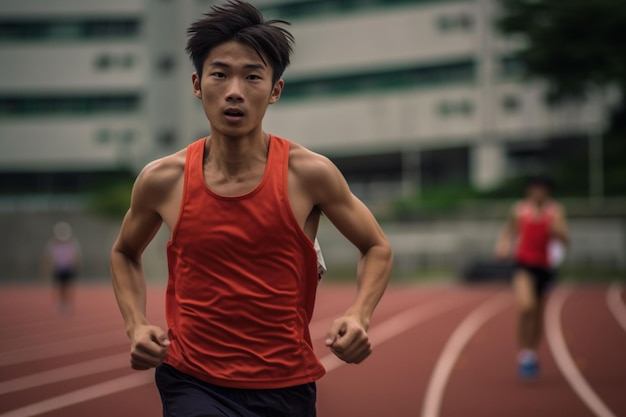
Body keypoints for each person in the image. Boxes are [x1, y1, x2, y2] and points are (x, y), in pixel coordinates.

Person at [110, 1, 393, 416]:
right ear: (196, 83)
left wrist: (359, 314)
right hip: (192, 380)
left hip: (285, 386)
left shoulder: (309, 175)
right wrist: (136, 324)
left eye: (252, 76)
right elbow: (123, 252)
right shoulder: (163, 179)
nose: (234, 91)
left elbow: (376, 246)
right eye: (220, 74)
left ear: (275, 90)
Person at [494, 176, 569, 380]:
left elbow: (565, 239)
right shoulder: (519, 210)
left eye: (542, 189)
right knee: (526, 307)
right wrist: (502, 245)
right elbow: (509, 232)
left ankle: (532, 352)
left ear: (548, 191)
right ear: (529, 191)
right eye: (535, 189)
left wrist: (558, 231)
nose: (538, 193)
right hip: (523, 265)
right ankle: (524, 353)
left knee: (538, 313)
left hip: (545, 267)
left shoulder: (556, 211)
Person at [42, 221, 82, 314]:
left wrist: (77, 266)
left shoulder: (72, 243)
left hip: (69, 268)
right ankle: (61, 303)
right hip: (58, 268)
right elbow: (48, 257)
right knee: (59, 286)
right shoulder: (52, 244)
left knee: (68, 286)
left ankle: (68, 303)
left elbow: (77, 255)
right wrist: (47, 269)